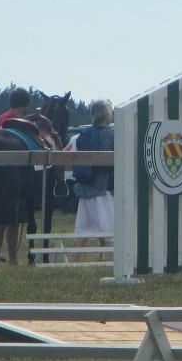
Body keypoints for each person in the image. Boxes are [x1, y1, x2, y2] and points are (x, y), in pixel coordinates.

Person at [72, 99, 115, 249]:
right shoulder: (111, 134)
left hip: (85, 186)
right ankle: (113, 262)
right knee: (110, 229)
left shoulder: (83, 135)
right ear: (106, 116)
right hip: (103, 188)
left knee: (84, 229)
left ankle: (74, 259)